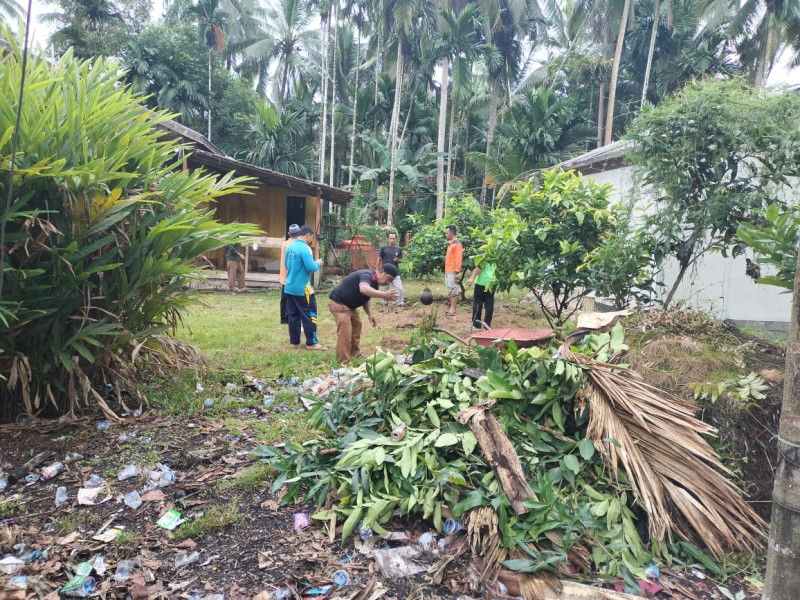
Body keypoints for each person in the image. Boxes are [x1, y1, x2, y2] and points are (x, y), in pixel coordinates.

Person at [327, 265, 399, 364]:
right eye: (388, 279)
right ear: (382, 272)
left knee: (357, 325)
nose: (388, 282)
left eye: (391, 281)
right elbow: (364, 289)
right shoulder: (367, 275)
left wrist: (370, 314)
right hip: (338, 303)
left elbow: (366, 297)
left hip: (349, 306)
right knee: (345, 333)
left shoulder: (374, 283)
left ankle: (354, 353)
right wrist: (384, 294)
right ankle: (343, 362)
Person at [284, 225, 326, 350]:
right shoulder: (305, 248)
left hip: (289, 287)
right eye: (311, 237)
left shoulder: (289, 247)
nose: (311, 239)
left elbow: (286, 266)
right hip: (303, 289)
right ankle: (312, 343)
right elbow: (311, 267)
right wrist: (318, 263)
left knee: (293, 315)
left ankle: (294, 341)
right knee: (309, 314)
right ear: (307, 235)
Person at [376, 231, 404, 310]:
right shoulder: (383, 248)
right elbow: (379, 259)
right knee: (385, 289)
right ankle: (385, 306)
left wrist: (397, 260)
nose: (392, 240)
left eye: (393, 238)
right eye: (390, 238)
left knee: (400, 289)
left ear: (396, 239)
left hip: (395, 273)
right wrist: (377, 270)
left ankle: (399, 305)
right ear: (388, 239)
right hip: (385, 272)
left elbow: (401, 260)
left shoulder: (398, 249)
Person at [279, 224, 301, 324]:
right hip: (294, 276)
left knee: (284, 299)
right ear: (299, 233)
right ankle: (291, 318)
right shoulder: (300, 245)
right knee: (294, 299)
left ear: (289, 233)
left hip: (284, 276)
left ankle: (283, 319)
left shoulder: (284, 244)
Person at [467, 260, 496, 329]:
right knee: (489, 303)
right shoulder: (495, 250)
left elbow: (479, 267)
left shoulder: (483, 251)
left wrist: (472, 277)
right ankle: (487, 324)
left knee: (477, 302)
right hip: (492, 281)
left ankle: (476, 324)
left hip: (482, 281)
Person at [444, 225, 462, 316]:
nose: (446, 235)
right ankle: (451, 308)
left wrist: (457, 271)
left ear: (451, 232)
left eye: (447, 233)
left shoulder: (457, 244)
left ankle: (453, 310)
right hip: (448, 270)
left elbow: (458, 259)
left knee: (453, 290)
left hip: (452, 270)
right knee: (450, 290)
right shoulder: (451, 243)